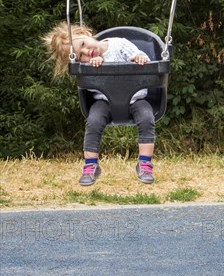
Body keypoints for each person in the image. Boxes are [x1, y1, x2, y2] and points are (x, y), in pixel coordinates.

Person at [43, 22, 156, 186]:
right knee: (93, 121)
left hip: (135, 98)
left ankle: (145, 164)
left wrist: (138, 58)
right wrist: (93, 69)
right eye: (81, 56)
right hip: (104, 102)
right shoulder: (89, 64)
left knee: (147, 117)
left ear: (86, 33)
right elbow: (87, 86)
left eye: (82, 45)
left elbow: (141, 57)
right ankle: (91, 166)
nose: (86, 52)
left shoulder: (119, 44)